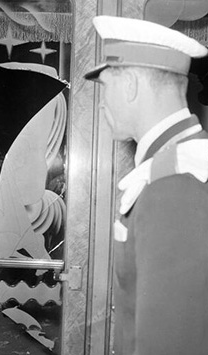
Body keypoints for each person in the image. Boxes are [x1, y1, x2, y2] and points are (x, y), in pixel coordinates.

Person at [84, 16, 208, 355]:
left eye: (105, 86)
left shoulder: (175, 186)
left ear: (131, 86)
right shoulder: (174, 169)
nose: (101, 102)